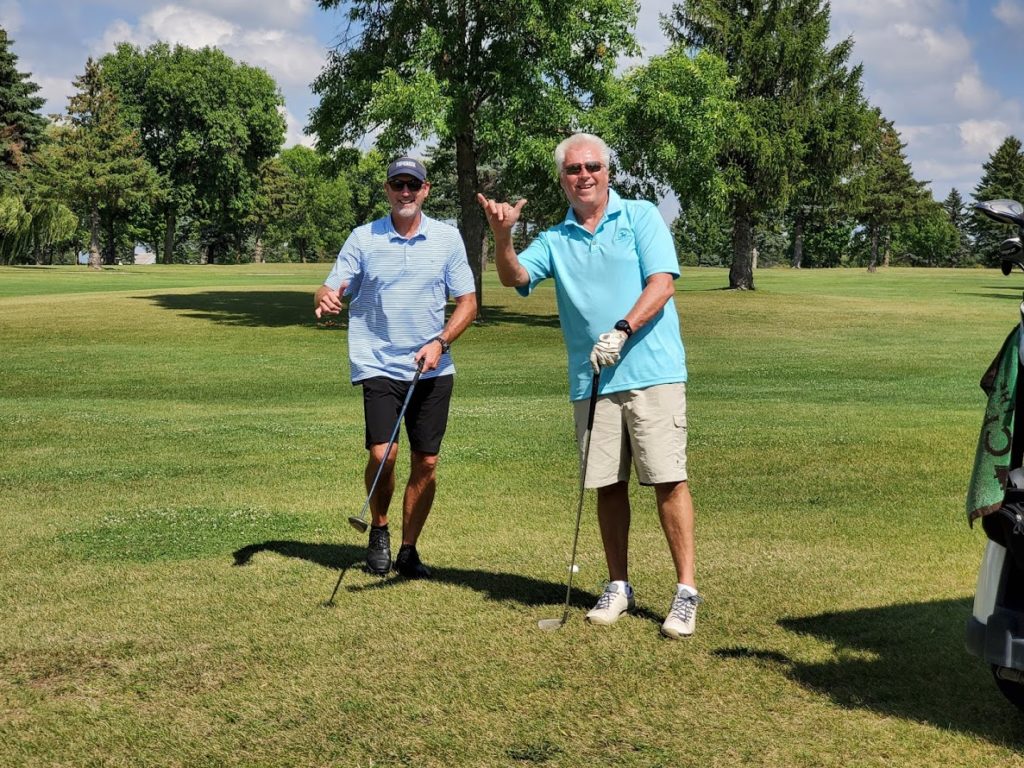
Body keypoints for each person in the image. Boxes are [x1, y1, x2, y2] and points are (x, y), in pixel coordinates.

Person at [476, 133, 700, 638]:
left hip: (652, 373)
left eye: (592, 166)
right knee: (607, 484)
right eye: (574, 170)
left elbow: (662, 283)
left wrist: (622, 331)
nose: (584, 176)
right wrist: (504, 235)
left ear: (608, 171)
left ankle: (685, 591)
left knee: (667, 478)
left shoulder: (640, 216)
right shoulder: (557, 238)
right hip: (592, 379)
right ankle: (618, 584)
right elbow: (515, 278)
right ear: (562, 180)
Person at [316, 157, 477, 578]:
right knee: (383, 454)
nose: (405, 192)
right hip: (379, 361)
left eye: (413, 185)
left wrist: (441, 342)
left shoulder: (447, 238)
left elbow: (468, 304)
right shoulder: (363, 238)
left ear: (425, 190)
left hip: (432, 366)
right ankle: (380, 529)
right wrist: (326, 296)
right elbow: (333, 284)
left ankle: (408, 549)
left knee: (426, 462)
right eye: (397, 184)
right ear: (387, 189)